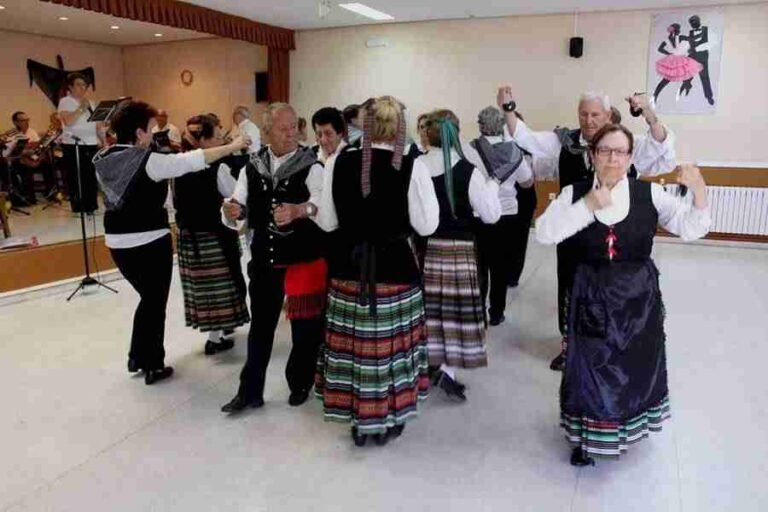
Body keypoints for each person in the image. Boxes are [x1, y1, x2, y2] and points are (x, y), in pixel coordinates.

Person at [535, 123, 710, 465]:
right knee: (589, 367)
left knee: (633, 365)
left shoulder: (650, 194)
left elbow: (691, 228)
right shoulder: (574, 193)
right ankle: (588, 440)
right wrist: (587, 204)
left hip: (637, 299)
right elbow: (545, 233)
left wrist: (700, 190)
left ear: (631, 157)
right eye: (605, 150)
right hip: (590, 296)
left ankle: (625, 428)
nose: (613, 158)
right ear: (592, 155)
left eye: (620, 151)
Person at [497, 86, 677, 371]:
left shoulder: (624, 145)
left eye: (595, 114)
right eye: (584, 114)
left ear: (607, 115)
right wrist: (508, 111)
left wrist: (650, 115)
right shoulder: (564, 142)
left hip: (613, 235)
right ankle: (569, 347)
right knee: (569, 290)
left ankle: (614, 346)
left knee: (612, 293)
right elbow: (527, 138)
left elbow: (662, 148)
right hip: (572, 232)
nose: (589, 120)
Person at [93, 101, 249, 385]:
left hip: (115, 242)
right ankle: (153, 364)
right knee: (155, 303)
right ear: (139, 133)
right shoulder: (147, 160)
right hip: (149, 241)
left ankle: (137, 356)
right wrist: (232, 145)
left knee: (147, 300)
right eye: (151, 130)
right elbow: (191, 161)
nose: (154, 135)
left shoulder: (103, 157)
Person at [314, 96, 438, 446]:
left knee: (355, 351)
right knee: (391, 352)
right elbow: (427, 225)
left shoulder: (338, 160)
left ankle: (359, 419)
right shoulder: (413, 166)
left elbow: (327, 222)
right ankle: (387, 417)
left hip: (347, 269)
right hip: (395, 270)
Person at [220, 102, 326, 414]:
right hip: (265, 261)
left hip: (301, 261)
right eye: (283, 128)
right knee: (261, 328)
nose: (292, 133)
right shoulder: (252, 166)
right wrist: (232, 211)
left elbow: (322, 204)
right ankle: (249, 391)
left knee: (303, 331)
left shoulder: (313, 164)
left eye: (295, 126)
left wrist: (299, 209)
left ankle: (300, 383)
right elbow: (237, 205)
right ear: (267, 132)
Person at [416, 109, 503, 401]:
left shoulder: (414, 167)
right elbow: (491, 216)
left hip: (421, 249)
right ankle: (448, 371)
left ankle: (426, 364)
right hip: (458, 250)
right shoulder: (468, 171)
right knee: (454, 313)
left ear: (426, 133)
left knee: (427, 311)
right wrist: (493, 185)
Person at [173, 114, 250, 355]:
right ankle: (214, 338)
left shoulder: (178, 164)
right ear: (204, 141)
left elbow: (171, 202)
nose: (222, 141)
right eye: (217, 137)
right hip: (213, 236)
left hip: (189, 236)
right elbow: (232, 194)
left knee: (203, 287)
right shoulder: (218, 167)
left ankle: (222, 330)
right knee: (220, 286)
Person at [471, 106, 534, 326]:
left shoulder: (471, 150)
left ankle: (478, 312)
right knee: (500, 268)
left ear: (480, 126)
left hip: (479, 214)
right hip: (507, 214)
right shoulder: (514, 151)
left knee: (480, 266)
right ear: (503, 126)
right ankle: (496, 313)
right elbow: (527, 182)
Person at [58, 72, 103, 213]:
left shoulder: (91, 103)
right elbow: (68, 121)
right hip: (73, 144)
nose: (82, 87)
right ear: (70, 87)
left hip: (91, 143)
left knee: (90, 176)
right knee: (77, 177)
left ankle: (91, 206)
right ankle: (79, 208)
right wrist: (81, 108)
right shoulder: (65, 101)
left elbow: (97, 125)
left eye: (84, 85)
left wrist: (104, 140)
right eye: (78, 84)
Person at [653, 23, 703, 103]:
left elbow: (660, 49)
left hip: (672, 59)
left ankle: (655, 95)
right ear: (678, 30)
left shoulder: (668, 39)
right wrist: (700, 34)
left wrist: (669, 53)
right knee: (682, 77)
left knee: (667, 80)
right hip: (679, 60)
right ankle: (685, 90)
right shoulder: (680, 37)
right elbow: (692, 38)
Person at [2, 112, 41, 204]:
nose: (27, 122)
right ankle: (27, 197)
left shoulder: (32, 131)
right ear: (15, 122)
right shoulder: (11, 134)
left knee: (47, 165)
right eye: (23, 120)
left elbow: (38, 147)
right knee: (25, 169)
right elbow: (7, 153)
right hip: (15, 161)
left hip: (30, 159)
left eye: (27, 120)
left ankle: (50, 192)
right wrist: (24, 152)